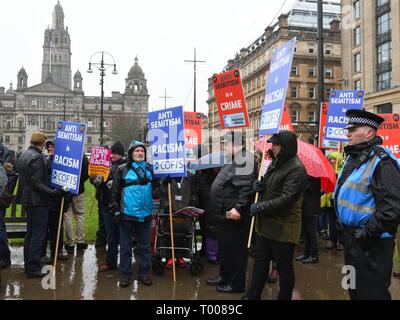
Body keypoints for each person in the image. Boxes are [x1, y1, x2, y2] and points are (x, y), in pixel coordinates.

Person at [334, 109, 400, 300]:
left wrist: (366, 234)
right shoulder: (353, 157)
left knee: (372, 294)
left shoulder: (382, 161)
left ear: (370, 132)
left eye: (353, 129)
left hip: (371, 243)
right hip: (352, 238)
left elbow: (392, 207)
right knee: (353, 289)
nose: (347, 133)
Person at [244, 130, 307, 300]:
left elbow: (287, 199)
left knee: (284, 266)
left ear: (285, 147)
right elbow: (271, 185)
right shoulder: (276, 162)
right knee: (260, 261)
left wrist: (260, 207)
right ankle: (253, 294)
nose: (272, 147)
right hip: (266, 224)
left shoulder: (297, 169)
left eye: (276, 144)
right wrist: (259, 185)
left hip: (283, 227)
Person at [206, 131, 255, 293]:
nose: (224, 147)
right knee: (225, 248)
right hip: (224, 212)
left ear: (236, 145)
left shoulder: (244, 160)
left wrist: (238, 208)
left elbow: (246, 187)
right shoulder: (234, 159)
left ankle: (236, 284)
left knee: (235, 251)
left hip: (233, 213)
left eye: (226, 144)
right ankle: (225, 276)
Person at [110, 140, 159, 288]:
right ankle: (125, 275)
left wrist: (165, 183)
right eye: (137, 151)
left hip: (145, 215)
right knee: (125, 247)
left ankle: (144, 273)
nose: (139, 153)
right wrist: (116, 210)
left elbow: (156, 190)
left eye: (142, 151)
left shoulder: (150, 169)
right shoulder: (122, 169)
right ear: (131, 153)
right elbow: (114, 192)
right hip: (127, 215)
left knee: (144, 247)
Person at [16, 132, 65, 278]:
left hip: (27, 200)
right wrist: (53, 192)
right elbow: (37, 183)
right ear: (42, 144)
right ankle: (33, 268)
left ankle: (29, 264)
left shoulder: (24, 155)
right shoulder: (37, 157)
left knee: (30, 234)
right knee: (37, 235)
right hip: (37, 201)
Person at [95, 141, 126, 272]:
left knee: (124, 236)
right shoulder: (105, 165)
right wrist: (96, 180)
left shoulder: (126, 167)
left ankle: (125, 264)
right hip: (106, 205)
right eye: (112, 153)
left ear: (122, 155)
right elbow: (95, 179)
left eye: (116, 154)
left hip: (122, 206)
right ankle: (111, 262)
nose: (113, 156)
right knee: (111, 235)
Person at [42, 140, 71, 262]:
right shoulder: (44, 162)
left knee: (57, 228)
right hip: (46, 200)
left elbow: (69, 184)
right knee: (44, 228)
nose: (50, 148)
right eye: (49, 146)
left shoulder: (64, 164)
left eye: (53, 146)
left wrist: (67, 202)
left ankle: (58, 250)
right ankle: (44, 253)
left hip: (58, 201)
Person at [63, 153, 89, 254]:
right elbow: (86, 173)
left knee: (67, 216)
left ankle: (70, 242)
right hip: (79, 189)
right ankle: (80, 240)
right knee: (79, 216)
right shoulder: (82, 156)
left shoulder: (64, 153)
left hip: (67, 190)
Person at [296, 176, 321, 264]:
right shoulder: (308, 175)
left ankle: (314, 255)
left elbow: (309, 188)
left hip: (311, 208)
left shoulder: (315, 176)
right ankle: (306, 253)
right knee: (306, 232)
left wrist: (301, 183)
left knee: (311, 233)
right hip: (305, 207)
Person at [0, 142, 17, 269]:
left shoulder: (7, 153)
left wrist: (6, 193)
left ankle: (4, 257)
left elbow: (10, 176)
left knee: (0, 227)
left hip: (1, 195)